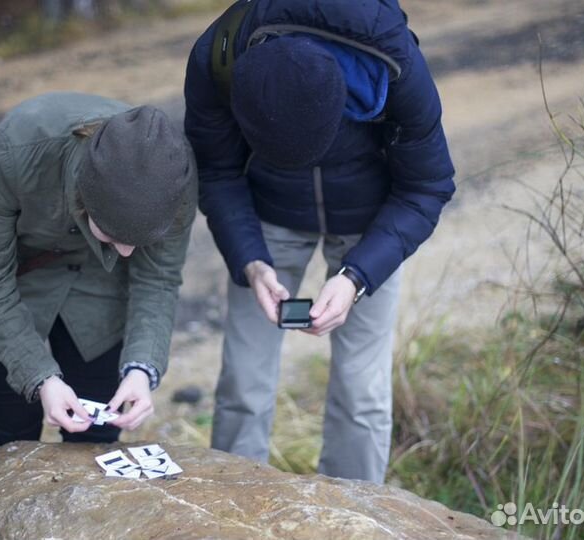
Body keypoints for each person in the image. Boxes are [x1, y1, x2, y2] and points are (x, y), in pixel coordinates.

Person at [184, 0, 455, 482]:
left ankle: (352, 515)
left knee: (362, 389)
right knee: (244, 381)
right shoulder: (218, 56)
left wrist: (358, 277)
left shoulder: (394, 63)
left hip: (371, 218)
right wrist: (249, 261)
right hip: (266, 212)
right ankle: (228, 506)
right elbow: (218, 171)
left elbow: (427, 186)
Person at [0, 92, 197, 457]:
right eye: (115, 235)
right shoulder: (16, 150)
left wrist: (142, 368)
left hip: (99, 281)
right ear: (84, 196)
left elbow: (157, 279)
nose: (126, 252)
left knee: (97, 437)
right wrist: (41, 377)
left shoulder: (175, 179)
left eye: (138, 242)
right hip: (12, 274)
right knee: (10, 435)